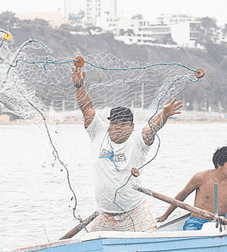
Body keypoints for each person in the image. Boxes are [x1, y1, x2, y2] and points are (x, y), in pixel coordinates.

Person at [71, 65, 183, 232]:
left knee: (150, 242)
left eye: (123, 124)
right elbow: (87, 108)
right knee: (90, 243)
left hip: (135, 211)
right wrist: (79, 86)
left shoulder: (138, 140)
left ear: (131, 126)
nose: (118, 127)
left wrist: (164, 115)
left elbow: (151, 128)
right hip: (104, 213)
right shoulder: (98, 132)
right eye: (114, 123)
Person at [156, 146, 227, 230]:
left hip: (221, 221)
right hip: (197, 221)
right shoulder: (201, 178)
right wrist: (165, 216)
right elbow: (182, 196)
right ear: (219, 165)